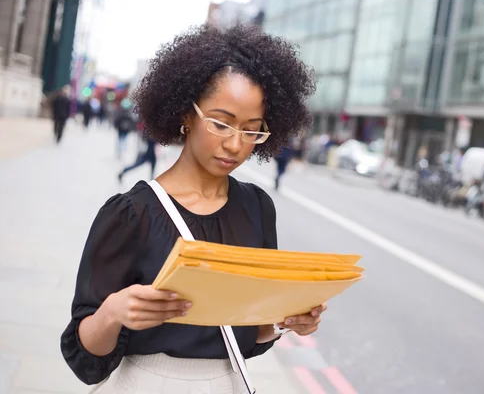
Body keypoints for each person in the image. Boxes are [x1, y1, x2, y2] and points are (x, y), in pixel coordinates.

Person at [60, 23, 318, 392]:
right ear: (186, 114)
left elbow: (248, 332)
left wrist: (286, 320)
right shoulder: (131, 214)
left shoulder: (258, 208)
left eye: (252, 130)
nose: (235, 145)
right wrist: (114, 312)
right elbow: (85, 356)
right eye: (221, 123)